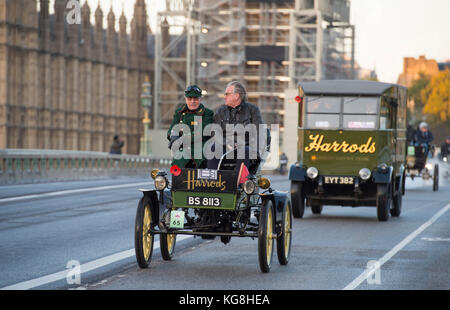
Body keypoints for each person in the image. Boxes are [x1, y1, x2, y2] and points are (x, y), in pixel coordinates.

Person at [207, 81, 265, 172]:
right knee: (213, 147)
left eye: (227, 94)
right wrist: (226, 143)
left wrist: (256, 151)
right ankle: (211, 181)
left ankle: (239, 181)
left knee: (245, 150)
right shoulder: (221, 111)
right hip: (225, 147)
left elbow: (259, 132)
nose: (224, 97)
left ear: (237, 95)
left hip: (245, 147)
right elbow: (214, 132)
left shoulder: (253, 110)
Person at [167, 85, 214, 168]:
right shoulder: (179, 113)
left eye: (195, 98)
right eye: (189, 99)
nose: (192, 101)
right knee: (177, 168)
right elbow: (172, 128)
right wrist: (173, 137)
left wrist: (181, 139)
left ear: (200, 99)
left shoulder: (207, 113)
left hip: (200, 150)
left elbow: (201, 133)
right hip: (182, 149)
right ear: (185, 99)